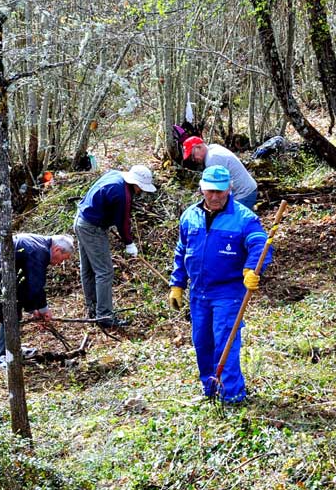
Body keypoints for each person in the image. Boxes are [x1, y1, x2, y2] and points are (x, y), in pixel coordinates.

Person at [168, 165, 271, 403]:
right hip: (199, 292)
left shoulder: (244, 218)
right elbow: (182, 250)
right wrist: (178, 284)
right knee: (202, 343)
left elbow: (260, 244)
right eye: (210, 191)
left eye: (220, 192)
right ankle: (210, 390)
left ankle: (231, 394)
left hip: (228, 291)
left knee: (225, 342)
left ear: (229, 190)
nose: (215, 197)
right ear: (202, 189)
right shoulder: (189, 216)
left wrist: (251, 268)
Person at [0, 234, 75, 370]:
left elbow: (26, 284)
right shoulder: (39, 251)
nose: (61, 263)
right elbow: (35, 285)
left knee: (13, 311)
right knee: (10, 315)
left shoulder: (39, 245)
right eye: (64, 259)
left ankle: (13, 350)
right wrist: (44, 310)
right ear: (57, 250)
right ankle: (0, 358)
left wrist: (34, 310)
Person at [74, 165, 156, 326]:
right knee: (104, 272)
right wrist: (129, 243)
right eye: (141, 188)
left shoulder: (115, 175)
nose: (141, 192)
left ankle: (94, 310)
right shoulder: (122, 194)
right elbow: (123, 221)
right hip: (91, 227)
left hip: (81, 220)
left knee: (89, 269)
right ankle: (104, 316)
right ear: (136, 184)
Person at [181, 136, 260, 211]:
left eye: (192, 155)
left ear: (199, 147)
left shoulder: (212, 158)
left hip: (243, 194)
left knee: (231, 222)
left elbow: (215, 187)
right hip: (247, 189)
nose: (193, 159)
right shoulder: (213, 148)